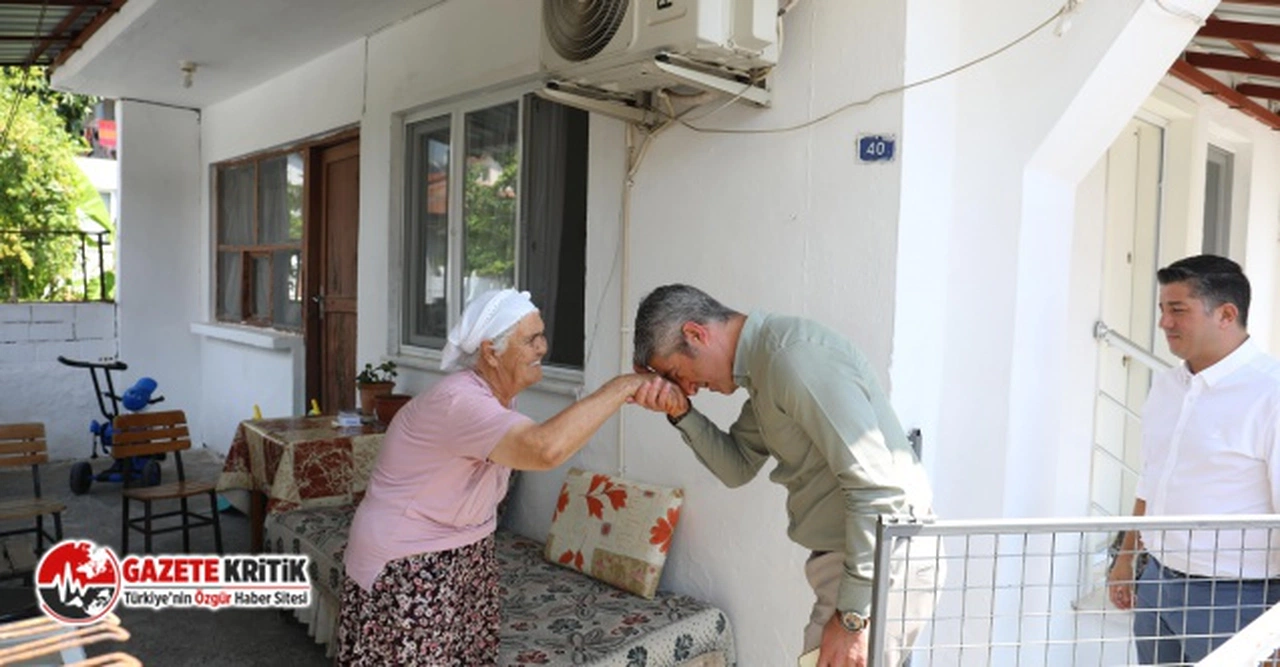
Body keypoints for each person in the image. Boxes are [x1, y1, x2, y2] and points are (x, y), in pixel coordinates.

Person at [628, 284, 941, 667]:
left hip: (882, 561)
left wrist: (853, 617)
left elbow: (876, 491)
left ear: (696, 334)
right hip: (860, 563)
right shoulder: (764, 373)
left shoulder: (792, 359)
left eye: (679, 373)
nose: (690, 388)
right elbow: (737, 465)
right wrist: (680, 412)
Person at [336, 289, 650, 666]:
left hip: (466, 552)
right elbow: (543, 449)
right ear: (490, 352)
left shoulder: (498, 398)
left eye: (542, 335)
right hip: (408, 561)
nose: (543, 347)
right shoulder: (459, 402)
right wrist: (623, 387)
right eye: (531, 339)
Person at [1106, 255, 1280, 664]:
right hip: (1158, 584)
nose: (1164, 322)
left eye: (1177, 310)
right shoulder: (1167, 387)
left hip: (1241, 598)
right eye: (1163, 309)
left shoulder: (1271, 395)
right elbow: (1151, 481)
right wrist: (1126, 559)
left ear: (1226, 314)